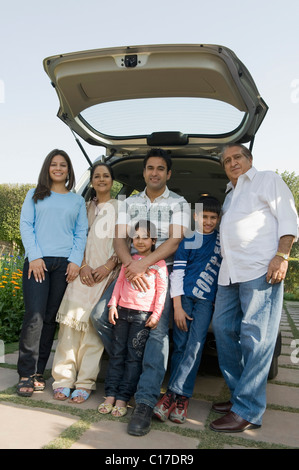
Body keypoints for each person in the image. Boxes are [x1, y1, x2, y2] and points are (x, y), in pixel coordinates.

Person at [91, 148, 190, 435]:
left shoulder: (180, 203)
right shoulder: (128, 202)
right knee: (99, 316)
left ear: (168, 173)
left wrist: (145, 265)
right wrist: (130, 267)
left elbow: (173, 242)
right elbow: (119, 238)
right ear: (144, 171)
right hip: (128, 270)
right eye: (150, 168)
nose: (154, 172)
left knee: (157, 333)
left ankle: (145, 401)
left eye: (160, 168)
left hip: (161, 275)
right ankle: (134, 368)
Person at [209, 143, 298, 432]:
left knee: (256, 339)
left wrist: (282, 256)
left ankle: (248, 410)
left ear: (249, 159)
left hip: (261, 269)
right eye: (227, 161)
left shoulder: (267, 179)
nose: (232, 163)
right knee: (223, 330)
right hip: (229, 273)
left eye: (237, 157)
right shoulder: (230, 194)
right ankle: (239, 396)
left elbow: (289, 219)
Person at [17, 149, 88, 397]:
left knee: (49, 319)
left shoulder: (77, 201)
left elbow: (81, 233)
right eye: (54, 164)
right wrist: (34, 256)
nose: (58, 168)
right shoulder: (34, 195)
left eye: (63, 165)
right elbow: (26, 225)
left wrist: (75, 261)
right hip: (38, 262)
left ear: (69, 170)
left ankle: (38, 372)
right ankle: (25, 373)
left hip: (64, 265)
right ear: (47, 168)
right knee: (34, 316)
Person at [51, 163, 120, 403]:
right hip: (81, 272)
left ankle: (85, 382)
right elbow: (73, 237)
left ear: (113, 180)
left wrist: (108, 266)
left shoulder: (121, 208)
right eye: (97, 176)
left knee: (92, 331)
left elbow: (127, 241)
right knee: (68, 328)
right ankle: (62, 380)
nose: (101, 179)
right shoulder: (82, 207)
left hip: (104, 275)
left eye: (106, 176)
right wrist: (82, 266)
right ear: (91, 181)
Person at [153, 196, 222, 424]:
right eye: (205, 216)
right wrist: (177, 306)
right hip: (183, 300)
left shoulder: (222, 242)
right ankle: (177, 396)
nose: (209, 221)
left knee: (195, 347)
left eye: (213, 217)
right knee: (180, 346)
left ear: (219, 219)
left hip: (205, 302)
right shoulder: (189, 239)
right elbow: (178, 273)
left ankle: (176, 397)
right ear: (196, 216)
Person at [98, 220, 168, 417]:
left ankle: (123, 397)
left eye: (145, 237)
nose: (140, 241)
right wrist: (112, 304)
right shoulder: (129, 260)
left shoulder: (159, 265)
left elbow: (161, 292)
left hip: (142, 317)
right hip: (122, 313)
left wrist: (156, 315)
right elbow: (120, 282)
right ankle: (110, 394)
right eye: (136, 237)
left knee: (133, 358)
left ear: (154, 240)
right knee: (117, 355)